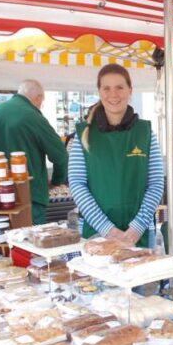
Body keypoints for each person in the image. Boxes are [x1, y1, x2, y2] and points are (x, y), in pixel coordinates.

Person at [68, 64, 164, 246]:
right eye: (107, 88)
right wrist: (107, 229)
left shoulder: (145, 133)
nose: (113, 94)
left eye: (120, 87)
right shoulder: (83, 135)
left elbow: (156, 183)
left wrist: (137, 227)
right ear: (99, 92)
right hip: (96, 232)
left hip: (138, 234)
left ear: (130, 90)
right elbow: (77, 184)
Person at [0, 79, 68, 225]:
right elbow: (61, 156)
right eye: (42, 101)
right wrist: (56, 181)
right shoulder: (33, 117)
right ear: (38, 97)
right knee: (29, 237)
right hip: (27, 194)